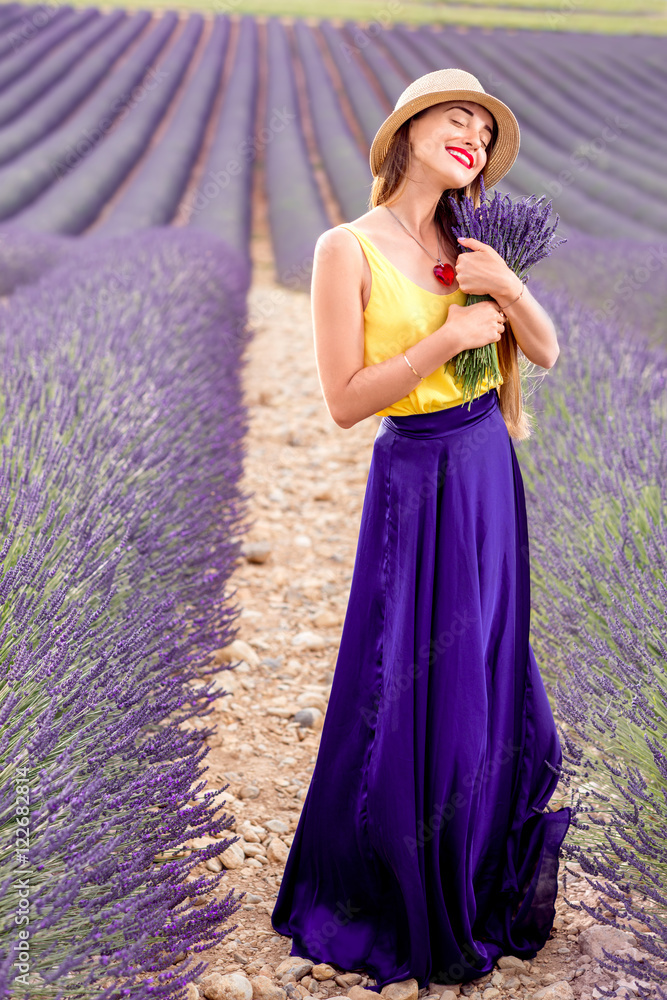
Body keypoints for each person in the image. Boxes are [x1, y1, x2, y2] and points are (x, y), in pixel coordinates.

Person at [271, 68, 571, 991]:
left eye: (483, 131)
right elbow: (344, 401)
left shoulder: (475, 240)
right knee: (413, 675)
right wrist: (446, 337)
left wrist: (504, 290)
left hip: (486, 470)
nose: (473, 140)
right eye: (457, 120)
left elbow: (547, 351)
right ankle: (405, 883)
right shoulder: (343, 247)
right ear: (406, 132)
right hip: (416, 473)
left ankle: (472, 869)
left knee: (483, 668)